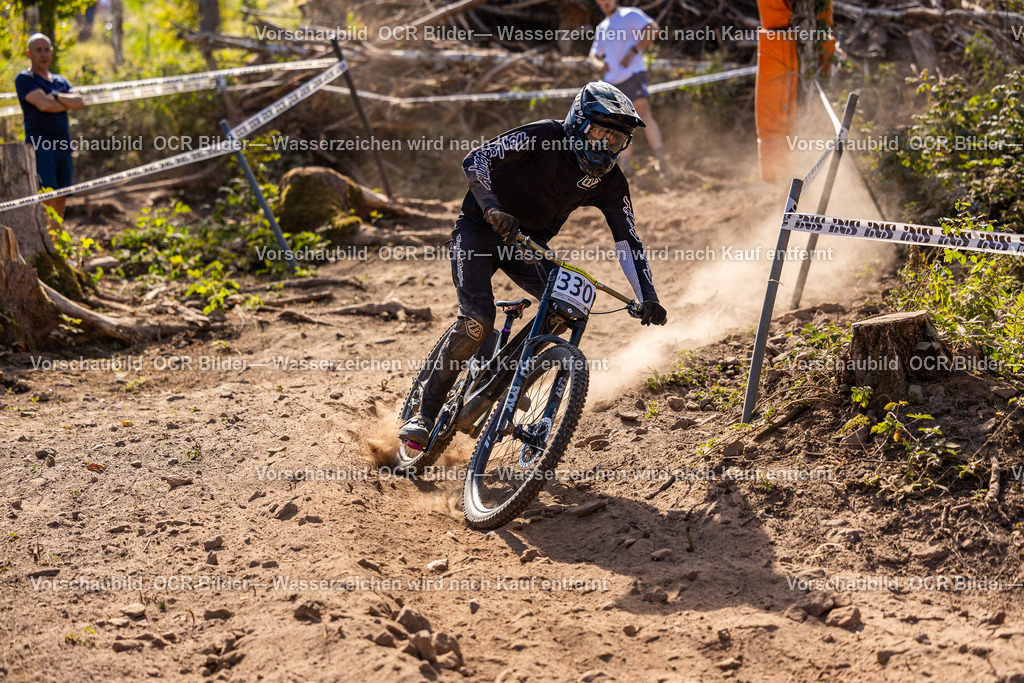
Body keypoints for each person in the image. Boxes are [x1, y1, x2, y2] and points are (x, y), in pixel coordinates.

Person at [399, 82, 668, 448]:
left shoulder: (610, 182)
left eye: (616, 140)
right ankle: (425, 414)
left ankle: (507, 374)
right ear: (577, 122)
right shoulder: (544, 135)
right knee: (477, 321)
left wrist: (647, 295)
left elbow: (627, 240)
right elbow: (477, 159)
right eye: (599, 133)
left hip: (527, 245)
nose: (605, 145)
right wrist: (492, 207)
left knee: (567, 306)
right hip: (480, 228)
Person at [589, 0, 674, 181]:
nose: (605, 2)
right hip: (612, 83)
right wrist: (598, 64)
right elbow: (593, 54)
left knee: (643, 114)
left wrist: (633, 51)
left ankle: (662, 163)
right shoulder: (602, 27)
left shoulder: (629, 14)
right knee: (620, 126)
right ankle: (626, 169)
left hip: (633, 74)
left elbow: (653, 29)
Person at [15, 33, 86, 225]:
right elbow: (44, 105)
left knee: (62, 195)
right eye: (38, 50)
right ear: (29, 53)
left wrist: (53, 96)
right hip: (40, 145)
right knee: (47, 193)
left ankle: (56, 241)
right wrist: (64, 102)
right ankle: (45, 239)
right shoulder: (24, 79)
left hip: (63, 144)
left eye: (47, 50)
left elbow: (80, 102)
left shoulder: (60, 81)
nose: (44, 54)